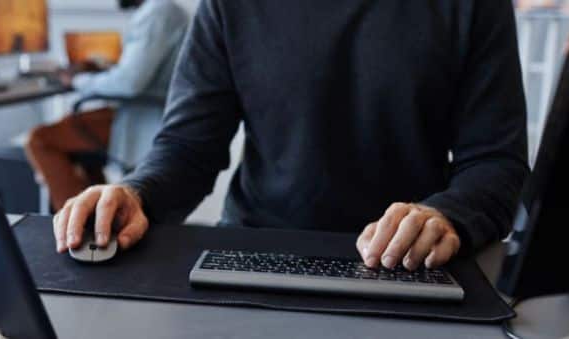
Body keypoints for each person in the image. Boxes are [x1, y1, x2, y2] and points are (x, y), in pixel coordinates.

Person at [52, 1, 530, 271]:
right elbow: (188, 147)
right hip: (255, 255)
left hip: (406, 264)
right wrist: (139, 192)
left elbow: (496, 162)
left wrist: (446, 215)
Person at [25, 0, 189, 211]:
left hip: (145, 118)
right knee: (70, 134)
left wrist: (76, 81)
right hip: (141, 111)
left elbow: (129, 82)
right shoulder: (166, 11)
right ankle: (96, 214)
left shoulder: (158, 12)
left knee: (40, 139)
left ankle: (76, 224)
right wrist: (102, 69)